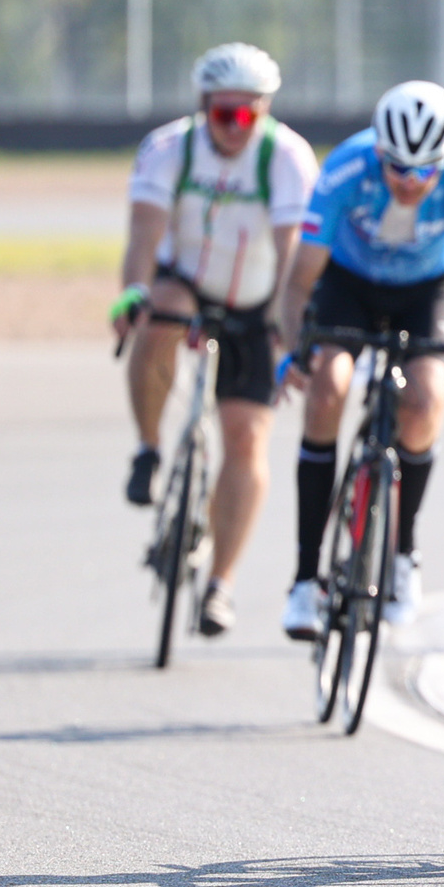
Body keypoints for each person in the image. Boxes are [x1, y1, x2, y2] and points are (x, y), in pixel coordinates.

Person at [277, 81, 444, 638]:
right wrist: (294, 349)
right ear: (379, 152)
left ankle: (403, 556)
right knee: (328, 385)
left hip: (423, 291)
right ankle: (306, 580)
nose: (409, 181)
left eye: (424, 171)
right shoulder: (345, 169)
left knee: (427, 398)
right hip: (348, 285)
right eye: (396, 167)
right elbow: (299, 280)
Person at [111, 43, 320, 637]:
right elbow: (143, 238)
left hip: (258, 300)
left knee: (247, 437)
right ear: (203, 107)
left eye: (246, 115)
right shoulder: (167, 150)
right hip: (186, 286)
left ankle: (220, 585)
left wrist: (288, 334)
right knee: (160, 314)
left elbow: (291, 257)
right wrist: (133, 292)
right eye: (222, 115)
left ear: (264, 111)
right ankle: (149, 449)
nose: (233, 128)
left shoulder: (286, 158)